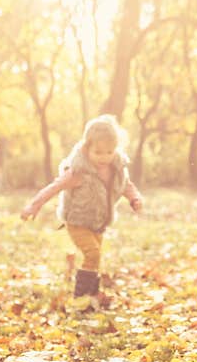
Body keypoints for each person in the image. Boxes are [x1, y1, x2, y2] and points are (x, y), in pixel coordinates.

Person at [21, 115, 143, 298]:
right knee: (92, 253)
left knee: (96, 257)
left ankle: (91, 295)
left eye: (109, 152)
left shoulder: (116, 168)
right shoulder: (78, 171)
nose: (104, 157)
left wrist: (134, 199)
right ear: (87, 148)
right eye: (99, 152)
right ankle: (80, 296)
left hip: (99, 222)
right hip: (77, 221)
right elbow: (54, 188)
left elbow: (126, 185)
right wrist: (34, 206)